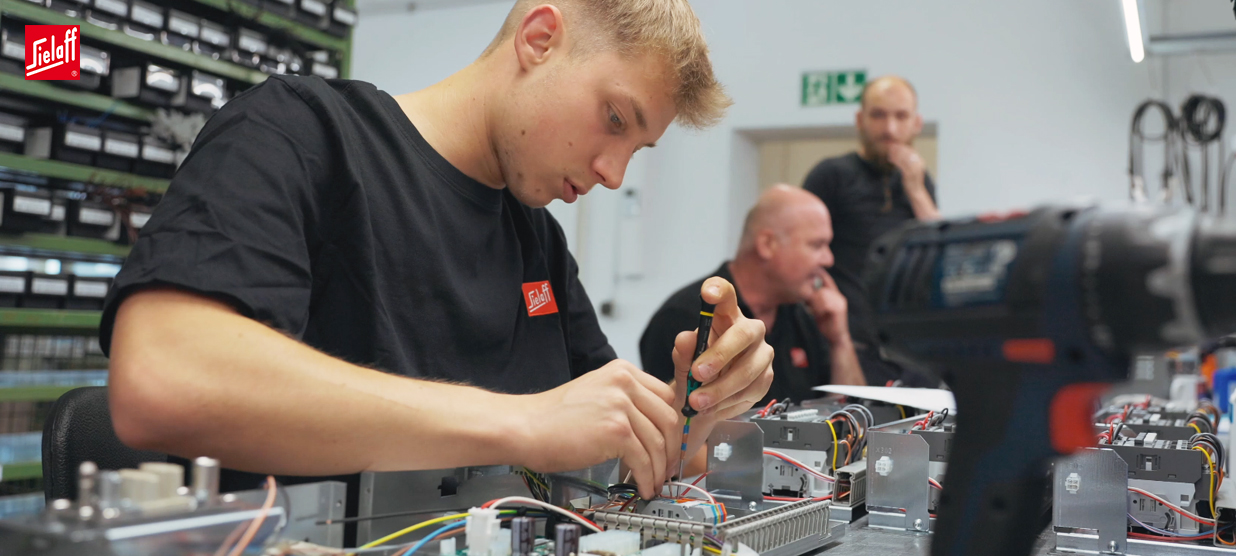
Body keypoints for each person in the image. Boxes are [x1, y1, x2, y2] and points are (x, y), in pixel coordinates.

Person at [101, 0, 774, 503]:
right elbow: (164, 380)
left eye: (637, 149)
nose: (614, 173)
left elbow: (620, 446)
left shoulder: (534, 238)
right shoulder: (300, 134)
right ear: (540, 40)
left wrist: (693, 417)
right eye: (615, 120)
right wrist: (521, 421)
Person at [640, 185, 864, 406]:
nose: (828, 260)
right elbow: (670, 424)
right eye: (817, 245)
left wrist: (840, 341)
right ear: (767, 244)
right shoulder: (685, 316)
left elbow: (852, 415)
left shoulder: (804, 316)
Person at [802, 75, 941, 385]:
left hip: (912, 351)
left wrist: (916, 188)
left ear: (916, 123)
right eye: (878, 115)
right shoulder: (832, 175)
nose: (890, 129)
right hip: (852, 348)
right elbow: (801, 252)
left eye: (900, 116)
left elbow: (939, 253)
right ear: (860, 119)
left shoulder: (920, 182)